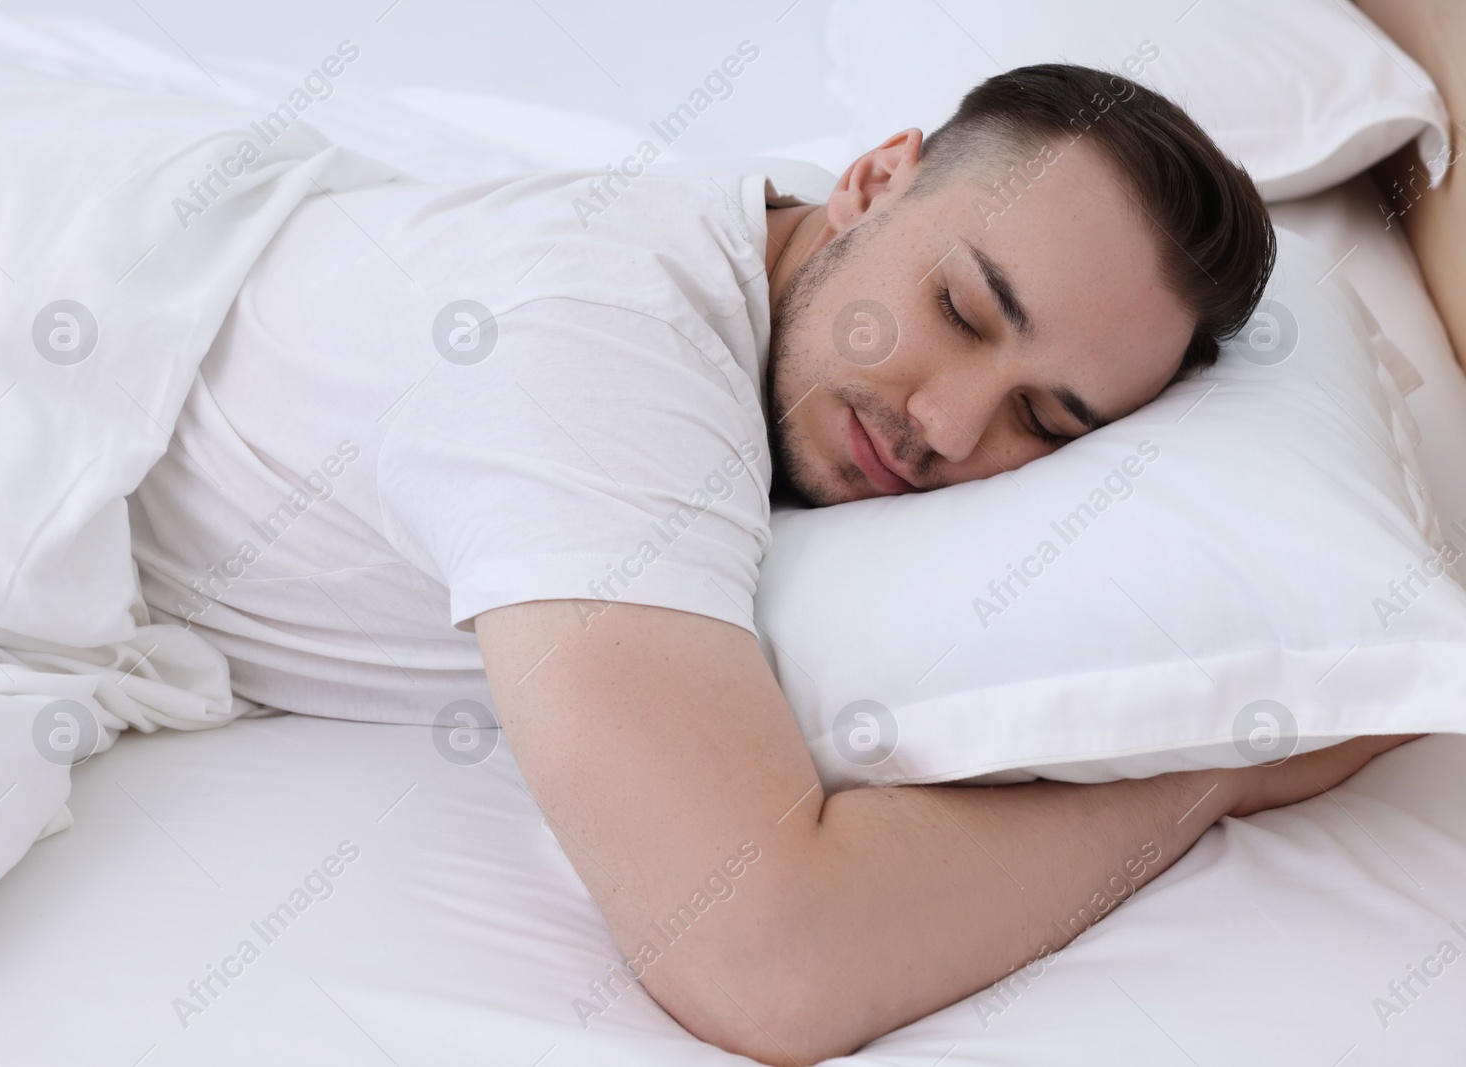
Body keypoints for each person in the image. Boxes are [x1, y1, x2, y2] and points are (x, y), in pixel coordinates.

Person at [128, 64, 1414, 1063]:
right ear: (870, 178)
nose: (948, 427)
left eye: (1045, 421)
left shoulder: (775, 255)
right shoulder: (592, 352)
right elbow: (762, 958)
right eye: (961, 310)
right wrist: (1224, 772)